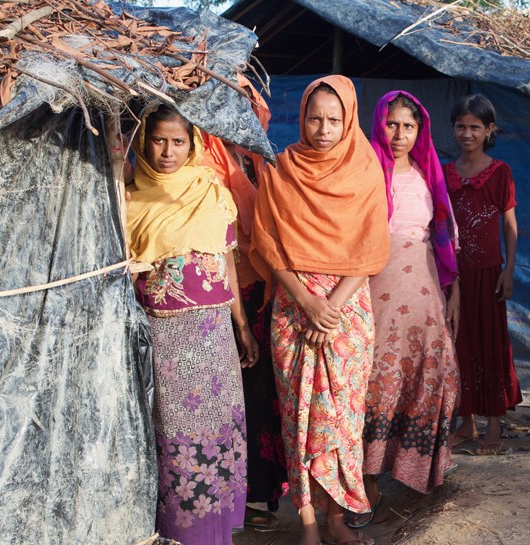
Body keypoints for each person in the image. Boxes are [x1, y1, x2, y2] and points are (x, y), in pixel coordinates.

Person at [249, 75, 389, 545]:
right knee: (298, 416)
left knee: (343, 418)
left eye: (334, 119)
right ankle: (308, 522)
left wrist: (330, 305)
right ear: (302, 117)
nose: (323, 128)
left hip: (346, 309)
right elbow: (267, 242)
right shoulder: (281, 169)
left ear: (348, 119)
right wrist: (307, 300)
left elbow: (371, 249)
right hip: (293, 305)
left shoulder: (366, 170)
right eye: (314, 117)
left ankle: (336, 520)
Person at [126, 104, 259, 545]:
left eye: (177, 141)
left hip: (214, 334)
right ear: (145, 141)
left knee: (217, 432)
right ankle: (182, 534)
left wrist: (241, 325)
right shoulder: (129, 197)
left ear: (193, 144)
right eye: (158, 140)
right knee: (174, 438)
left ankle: (217, 531)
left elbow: (226, 263)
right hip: (164, 339)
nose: (167, 151)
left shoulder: (210, 189)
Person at [347, 91, 461, 528]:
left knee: (434, 370)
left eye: (408, 126)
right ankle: (367, 478)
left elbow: (442, 233)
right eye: (392, 124)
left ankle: (419, 468)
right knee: (377, 376)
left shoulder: (429, 170)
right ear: (379, 122)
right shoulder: (366, 168)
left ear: (420, 130)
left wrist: (450, 290)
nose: (399, 134)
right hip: (377, 282)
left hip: (425, 285)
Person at [201, 76, 288, 529]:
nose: (242, 115)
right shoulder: (205, 156)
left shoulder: (258, 158)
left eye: (248, 106)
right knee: (232, 393)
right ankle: (234, 497)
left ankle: (261, 493)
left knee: (261, 394)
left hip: (266, 286)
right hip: (224, 290)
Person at [443, 94, 521, 455]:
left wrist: (509, 268)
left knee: (491, 345)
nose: (467, 132)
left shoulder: (500, 172)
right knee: (460, 344)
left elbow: (509, 224)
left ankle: (493, 423)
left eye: (475, 126)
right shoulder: (445, 174)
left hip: (489, 273)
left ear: (489, 130)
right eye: (461, 125)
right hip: (457, 276)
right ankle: (466, 421)